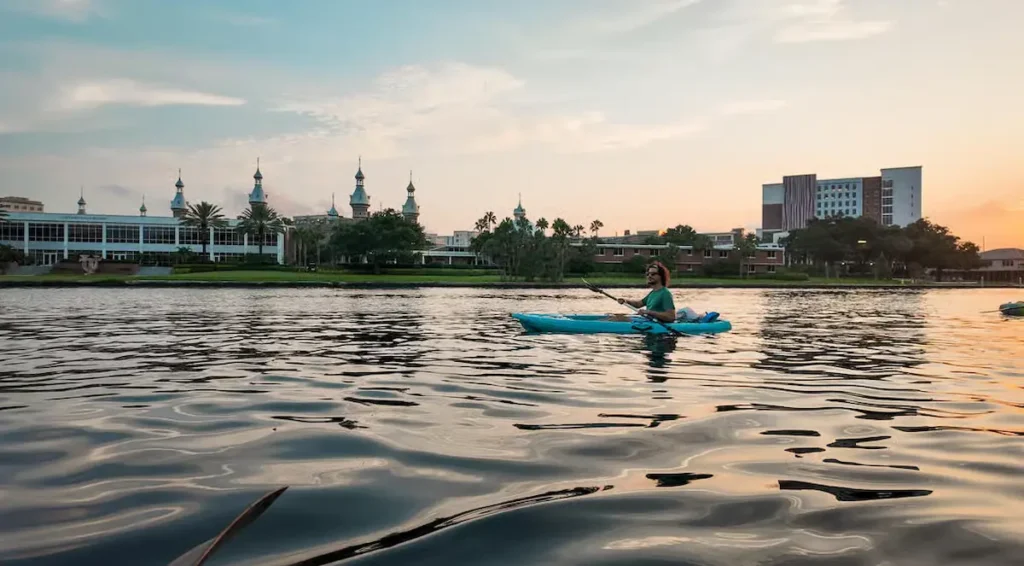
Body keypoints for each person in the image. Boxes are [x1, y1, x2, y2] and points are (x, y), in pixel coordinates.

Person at [607, 261, 677, 322]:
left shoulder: (665, 293)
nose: (649, 276)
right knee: (615, 316)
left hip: (655, 323)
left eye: (653, 274)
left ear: (661, 276)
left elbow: (671, 317)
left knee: (618, 319)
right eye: (648, 274)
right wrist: (626, 301)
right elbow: (638, 304)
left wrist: (649, 312)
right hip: (647, 320)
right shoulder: (653, 293)